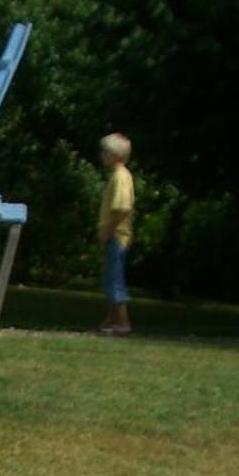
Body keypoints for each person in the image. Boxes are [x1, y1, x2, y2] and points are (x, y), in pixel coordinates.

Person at [97, 132, 135, 334]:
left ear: (115, 154)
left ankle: (122, 322)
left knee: (115, 279)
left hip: (116, 235)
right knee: (110, 279)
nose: (102, 155)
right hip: (115, 234)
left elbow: (122, 208)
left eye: (105, 152)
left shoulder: (120, 177)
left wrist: (108, 230)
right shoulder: (117, 176)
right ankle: (110, 320)